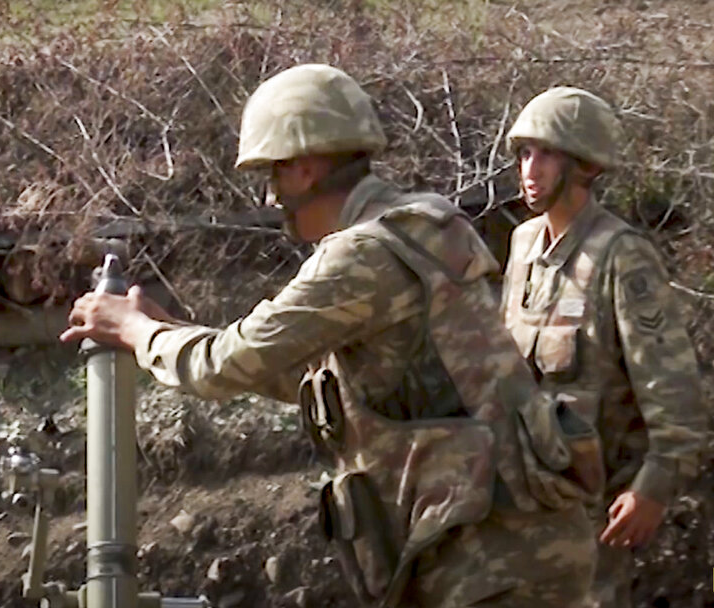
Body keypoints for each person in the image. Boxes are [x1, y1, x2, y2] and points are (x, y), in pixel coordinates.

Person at [63, 64, 599, 607]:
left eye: (273, 176)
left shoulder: (363, 253)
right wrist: (168, 331)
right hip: (513, 549)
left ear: (306, 168)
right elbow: (322, 384)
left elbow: (225, 365)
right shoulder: (426, 225)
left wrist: (132, 328)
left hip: (490, 562)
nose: (272, 201)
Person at [501, 86, 707, 608]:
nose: (531, 169)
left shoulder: (622, 257)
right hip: (518, 499)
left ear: (586, 166)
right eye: (525, 154)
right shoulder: (522, 245)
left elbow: (673, 391)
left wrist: (654, 487)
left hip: (594, 511)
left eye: (547, 154)